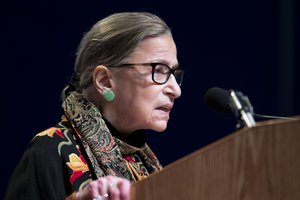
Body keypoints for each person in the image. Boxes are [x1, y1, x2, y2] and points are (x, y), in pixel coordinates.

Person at [5, 11, 184, 200]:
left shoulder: (142, 161)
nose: (175, 90)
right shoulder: (49, 151)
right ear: (105, 81)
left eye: (174, 73)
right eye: (160, 70)